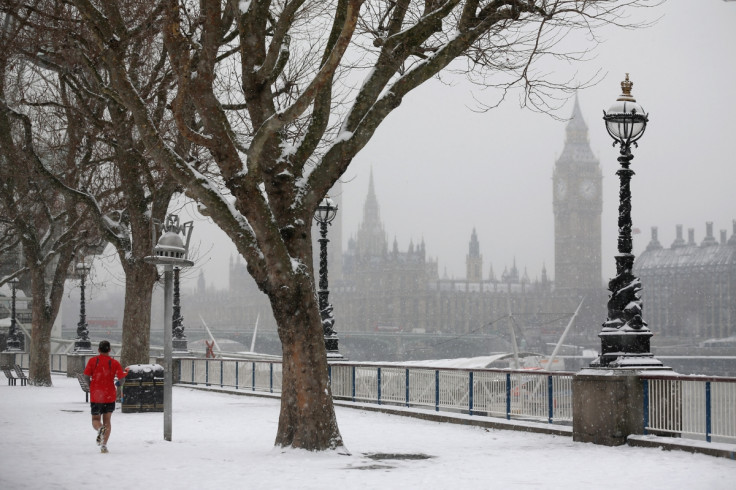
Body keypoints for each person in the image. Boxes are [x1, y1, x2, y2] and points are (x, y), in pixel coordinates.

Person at [83, 340, 129, 453]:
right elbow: (121, 380)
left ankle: (100, 428)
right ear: (109, 350)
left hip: (96, 395)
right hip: (109, 395)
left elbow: (85, 376)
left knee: (95, 419)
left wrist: (92, 386)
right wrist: (117, 384)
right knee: (107, 420)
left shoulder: (92, 361)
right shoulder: (114, 363)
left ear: (98, 350)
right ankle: (104, 445)